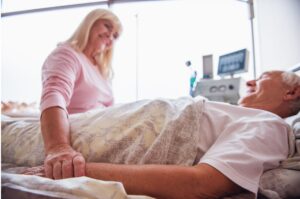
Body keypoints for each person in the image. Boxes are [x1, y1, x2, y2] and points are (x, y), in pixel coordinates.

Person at [26, 70, 300, 199]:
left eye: (263, 76)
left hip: (82, 138)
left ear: (292, 92)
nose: (250, 81)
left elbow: (201, 184)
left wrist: (78, 172)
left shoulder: (270, 125)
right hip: (83, 126)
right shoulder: (243, 117)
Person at [39, 9, 122, 179]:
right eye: (107, 26)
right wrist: (58, 146)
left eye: (115, 36)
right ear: (90, 23)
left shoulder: (100, 70)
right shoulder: (67, 54)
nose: (110, 36)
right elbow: (55, 93)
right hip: (79, 126)